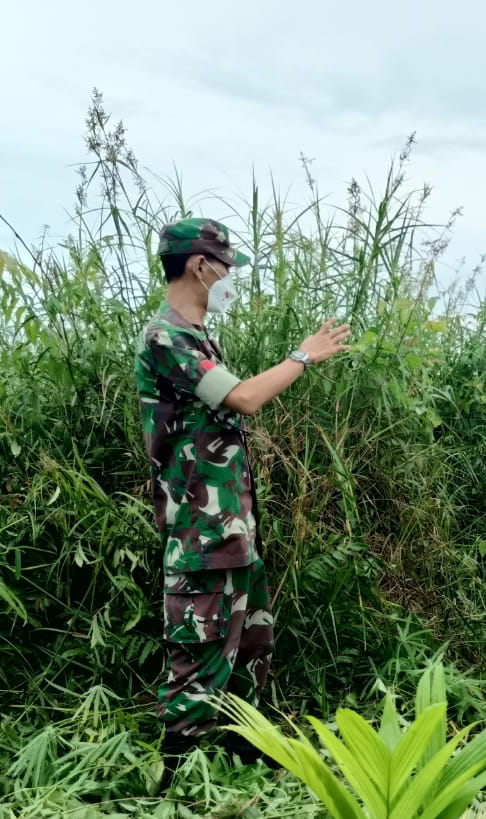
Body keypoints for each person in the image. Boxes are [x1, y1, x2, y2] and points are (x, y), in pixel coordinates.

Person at [135, 216, 350, 789]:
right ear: (200, 265)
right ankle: (174, 783)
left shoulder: (199, 335)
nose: (231, 278)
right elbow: (244, 398)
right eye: (227, 267)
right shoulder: (167, 337)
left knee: (251, 644)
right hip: (201, 531)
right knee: (198, 651)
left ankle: (245, 752)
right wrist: (303, 355)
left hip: (231, 526)